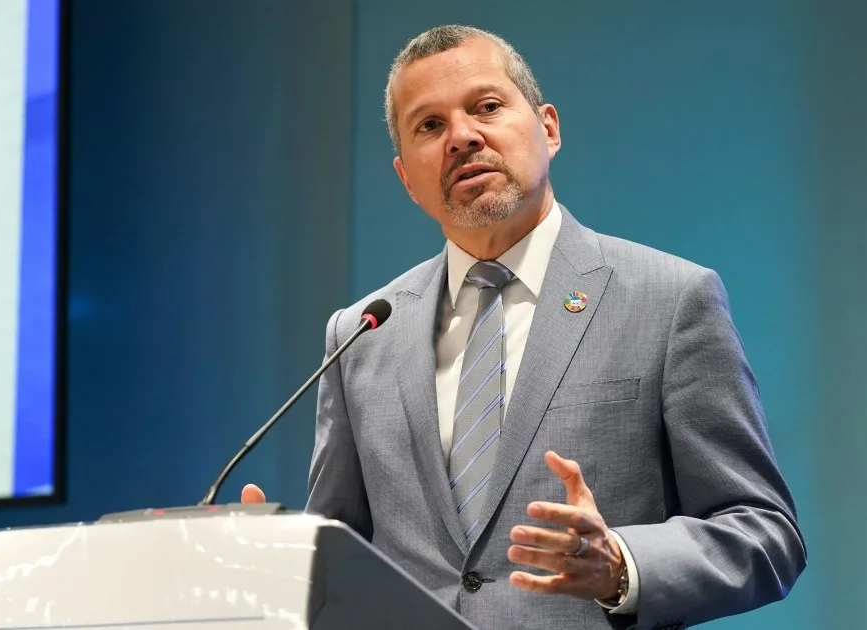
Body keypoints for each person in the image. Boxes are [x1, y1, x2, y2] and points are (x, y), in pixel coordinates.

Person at [243, 25, 805, 630]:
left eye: (486, 107)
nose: (462, 136)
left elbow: (763, 532)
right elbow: (343, 558)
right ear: (406, 178)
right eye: (429, 125)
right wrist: (281, 569)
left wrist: (623, 565)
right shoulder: (362, 333)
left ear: (549, 128)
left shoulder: (669, 300)